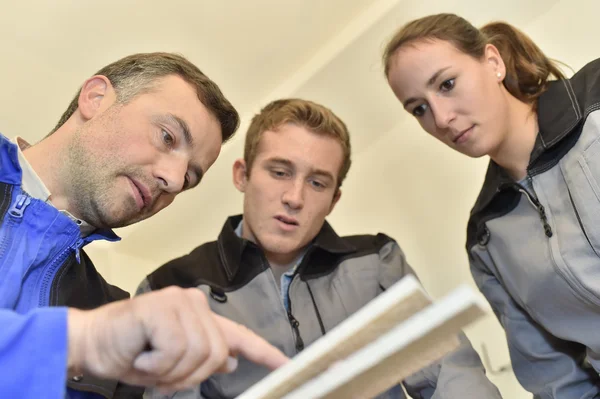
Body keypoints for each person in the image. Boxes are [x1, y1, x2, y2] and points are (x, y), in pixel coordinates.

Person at [137, 98, 502, 399]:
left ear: (334, 199)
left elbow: (451, 373)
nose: (294, 198)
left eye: (316, 182)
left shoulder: (377, 261)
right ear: (242, 175)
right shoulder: (172, 289)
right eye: (279, 172)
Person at [0, 52, 288, 399]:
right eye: (167, 137)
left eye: (190, 177)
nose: (172, 179)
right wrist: (84, 340)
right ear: (95, 98)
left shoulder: (110, 312)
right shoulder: (106, 329)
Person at [383, 12, 600, 398]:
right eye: (419, 108)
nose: (442, 118)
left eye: (447, 84)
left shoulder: (596, 103)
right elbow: (556, 379)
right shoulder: (487, 238)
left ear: (493, 62)